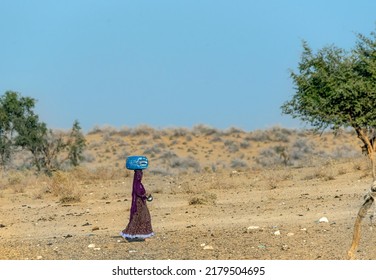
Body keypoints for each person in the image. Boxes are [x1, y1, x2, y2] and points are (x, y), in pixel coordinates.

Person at [120, 169, 154, 241]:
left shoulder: (138, 184)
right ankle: (133, 234)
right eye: (139, 174)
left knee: (142, 218)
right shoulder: (137, 184)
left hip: (141, 203)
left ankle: (140, 235)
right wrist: (145, 195)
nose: (140, 176)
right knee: (141, 218)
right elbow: (139, 193)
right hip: (139, 204)